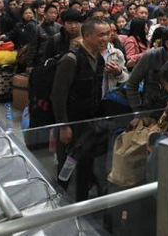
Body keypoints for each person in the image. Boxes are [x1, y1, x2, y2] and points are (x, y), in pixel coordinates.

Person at [51, 18, 110, 201]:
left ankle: (82, 203)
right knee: (66, 167)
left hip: (89, 124)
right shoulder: (71, 59)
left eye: (108, 34)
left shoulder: (99, 59)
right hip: (71, 123)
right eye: (101, 35)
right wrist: (64, 126)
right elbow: (58, 96)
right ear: (87, 35)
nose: (105, 38)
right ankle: (57, 202)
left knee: (86, 164)